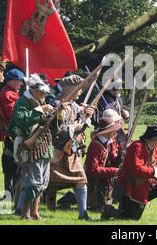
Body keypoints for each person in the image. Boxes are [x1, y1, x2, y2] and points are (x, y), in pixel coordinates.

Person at [102, 124, 157, 221]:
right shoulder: (136, 147)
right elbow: (137, 170)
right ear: (154, 138)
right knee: (130, 218)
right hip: (133, 188)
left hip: (148, 185)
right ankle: (109, 210)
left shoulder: (156, 149)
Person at [44, 74, 95, 220]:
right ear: (70, 89)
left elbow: (79, 126)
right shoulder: (57, 104)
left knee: (81, 179)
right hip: (56, 149)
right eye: (78, 88)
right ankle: (22, 209)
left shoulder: (73, 104)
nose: (81, 91)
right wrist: (74, 127)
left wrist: (86, 116)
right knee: (42, 182)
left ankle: (83, 213)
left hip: (70, 150)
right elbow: (56, 130)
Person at [8, 73, 54, 220]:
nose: (44, 94)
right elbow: (21, 121)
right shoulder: (23, 102)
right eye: (42, 91)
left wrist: (58, 116)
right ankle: (25, 213)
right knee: (32, 183)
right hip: (30, 148)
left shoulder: (41, 101)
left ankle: (35, 212)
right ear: (33, 89)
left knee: (42, 184)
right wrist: (40, 111)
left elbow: (52, 127)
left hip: (44, 147)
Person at [0, 69, 25, 202]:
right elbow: (13, 115)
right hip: (12, 134)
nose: (21, 84)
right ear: (13, 81)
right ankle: (9, 196)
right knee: (11, 167)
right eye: (20, 81)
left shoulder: (13, 93)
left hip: (14, 133)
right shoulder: (8, 94)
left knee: (16, 167)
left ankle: (13, 195)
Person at [84, 117, 122, 213]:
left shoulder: (109, 143)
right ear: (107, 131)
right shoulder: (95, 146)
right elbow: (93, 170)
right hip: (94, 184)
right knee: (99, 209)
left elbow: (113, 161)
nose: (115, 132)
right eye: (113, 129)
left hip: (103, 181)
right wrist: (114, 171)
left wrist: (123, 152)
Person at [92, 80, 129, 146]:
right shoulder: (99, 100)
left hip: (119, 133)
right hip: (106, 134)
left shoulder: (119, 100)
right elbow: (95, 119)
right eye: (119, 86)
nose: (121, 88)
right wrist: (110, 124)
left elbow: (118, 112)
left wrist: (123, 113)